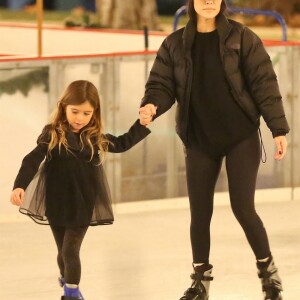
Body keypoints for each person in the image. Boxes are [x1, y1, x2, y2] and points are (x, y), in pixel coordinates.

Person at [139, 0, 289, 299]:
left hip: (240, 136)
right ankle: (200, 282)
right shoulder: (175, 44)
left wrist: (278, 128)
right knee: (200, 212)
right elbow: (161, 83)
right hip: (199, 137)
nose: (208, 2)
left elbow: (264, 83)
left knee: (243, 208)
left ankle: (269, 275)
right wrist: (152, 104)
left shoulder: (243, 38)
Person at [10, 80, 151, 300]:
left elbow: (123, 143)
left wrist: (141, 124)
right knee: (62, 252)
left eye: (86, 113)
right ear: (63, 107)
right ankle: (66, 279)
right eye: (74, 111)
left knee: (70, 249)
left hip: (83, 200)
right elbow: (32, 160)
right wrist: (20, 185)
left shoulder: (93, 137)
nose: (79, 118)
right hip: (56, 200)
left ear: (94, 114)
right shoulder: (53, 134)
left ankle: (71, 293)